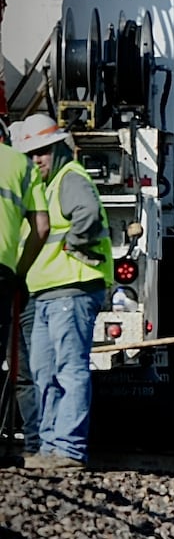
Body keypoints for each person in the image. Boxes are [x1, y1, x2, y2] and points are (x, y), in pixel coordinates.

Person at [13, 113, 111, 470]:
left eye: (42, 152)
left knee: (68, 370)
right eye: (30, 154)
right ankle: (52, 447)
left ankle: (68, 449)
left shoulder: (69, 178)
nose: (36, 160)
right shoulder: (46, 187)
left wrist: (72, 243)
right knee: (43, 371)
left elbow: (87, 216)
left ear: (56, 149)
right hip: (46, 293)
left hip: (71, 288)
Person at [0, 118, 35, 462]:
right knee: (20, 365)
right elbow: (40, 226)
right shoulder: (18, 165)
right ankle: (34, 441)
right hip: (7, 274)